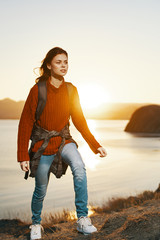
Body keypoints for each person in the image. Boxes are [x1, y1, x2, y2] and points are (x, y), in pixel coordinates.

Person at [17, 47, 107, 240]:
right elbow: (25, 122)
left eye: (66, 62)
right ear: (49, 65)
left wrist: (95, 145)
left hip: (64, 140)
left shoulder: (71, 90)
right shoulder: (37, 90)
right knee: (40, 188)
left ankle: (82, 219)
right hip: (42, 145)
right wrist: (22, 155)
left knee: (79, 168)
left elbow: (79, 120)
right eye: (58, 62)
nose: (63, 66)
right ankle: (36, 224)